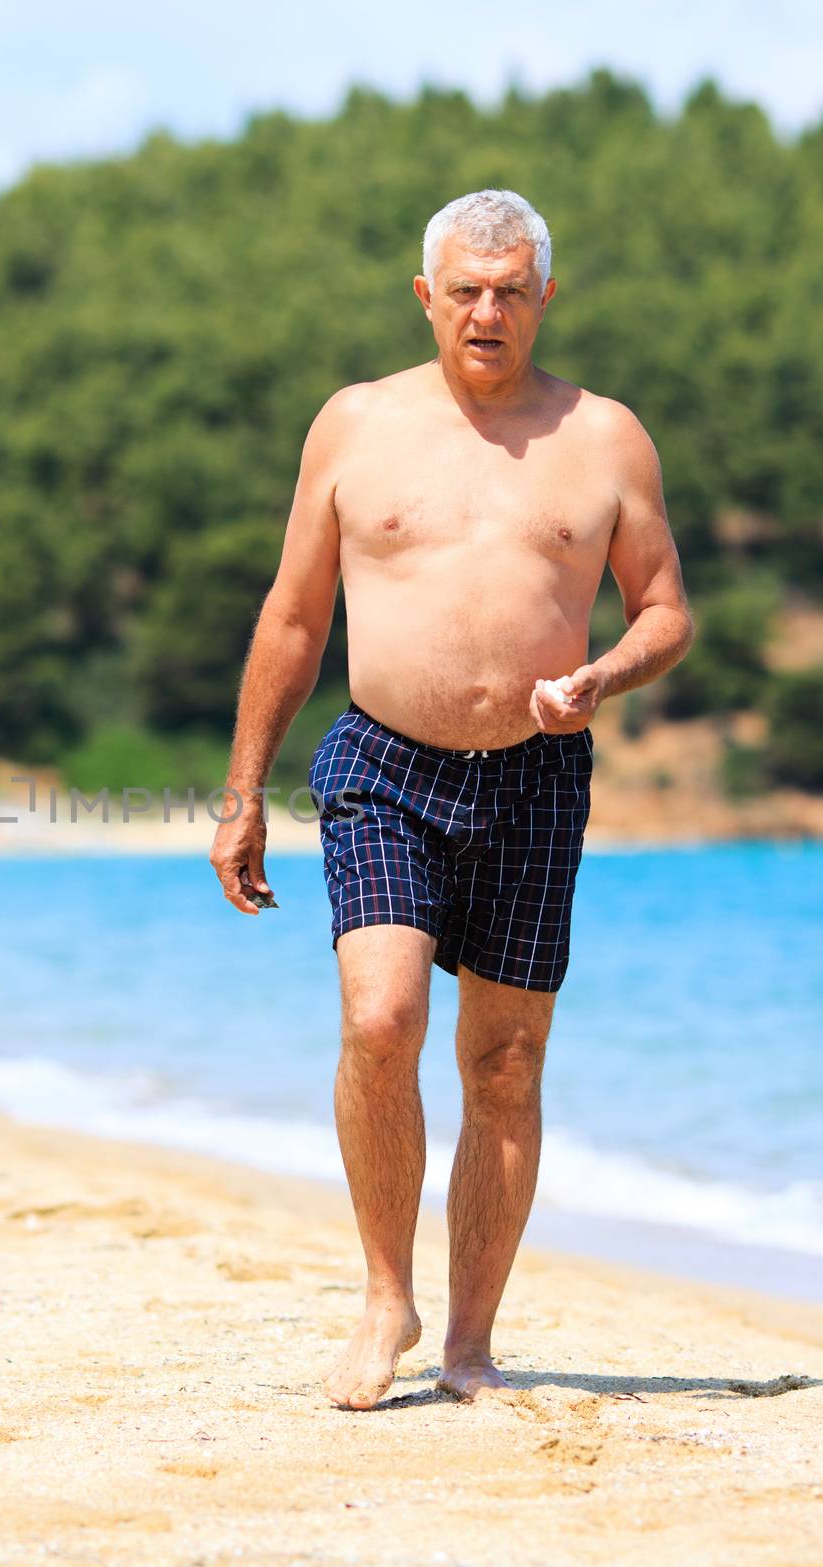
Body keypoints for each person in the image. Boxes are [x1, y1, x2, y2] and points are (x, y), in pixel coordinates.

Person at [209, 189, 693, 1406]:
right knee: (379, 1021)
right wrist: (241, 792)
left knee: (506, 1062)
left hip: (536, 775)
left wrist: (604, 674)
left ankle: (471, 1341)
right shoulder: (355, 425)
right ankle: (387, 1299)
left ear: (544, 297)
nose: (488, 311)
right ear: (426, 295)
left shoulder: (604, 437)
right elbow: (292, 615)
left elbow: (666, 612)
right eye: (466, 290)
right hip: (383, 761)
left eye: (512, 289)